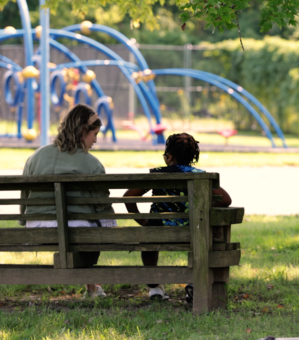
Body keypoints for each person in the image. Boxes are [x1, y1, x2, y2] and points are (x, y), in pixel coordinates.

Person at [20, 104, 115, 298]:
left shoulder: (35, 157)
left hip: (37, 226)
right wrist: (111, 229)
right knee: (94, 228)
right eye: (94, 134)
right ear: (83, 131)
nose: (96, 140)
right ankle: (91, 288)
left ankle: (92, 287)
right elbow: (102, 207)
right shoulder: (92, 164)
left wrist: (25, 222)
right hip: (76, 230)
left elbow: (24, 196)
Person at [123, 133, 232, 302]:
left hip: (158, 229)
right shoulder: (200, 176)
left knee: (148, 240)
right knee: (204, 236)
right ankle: (196, 283)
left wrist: (143, 221)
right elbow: (226, 200)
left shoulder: (158, 174)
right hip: (192, 229)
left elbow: (128, 197)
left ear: (170, 157)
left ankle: (154, 287)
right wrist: (202, 208)